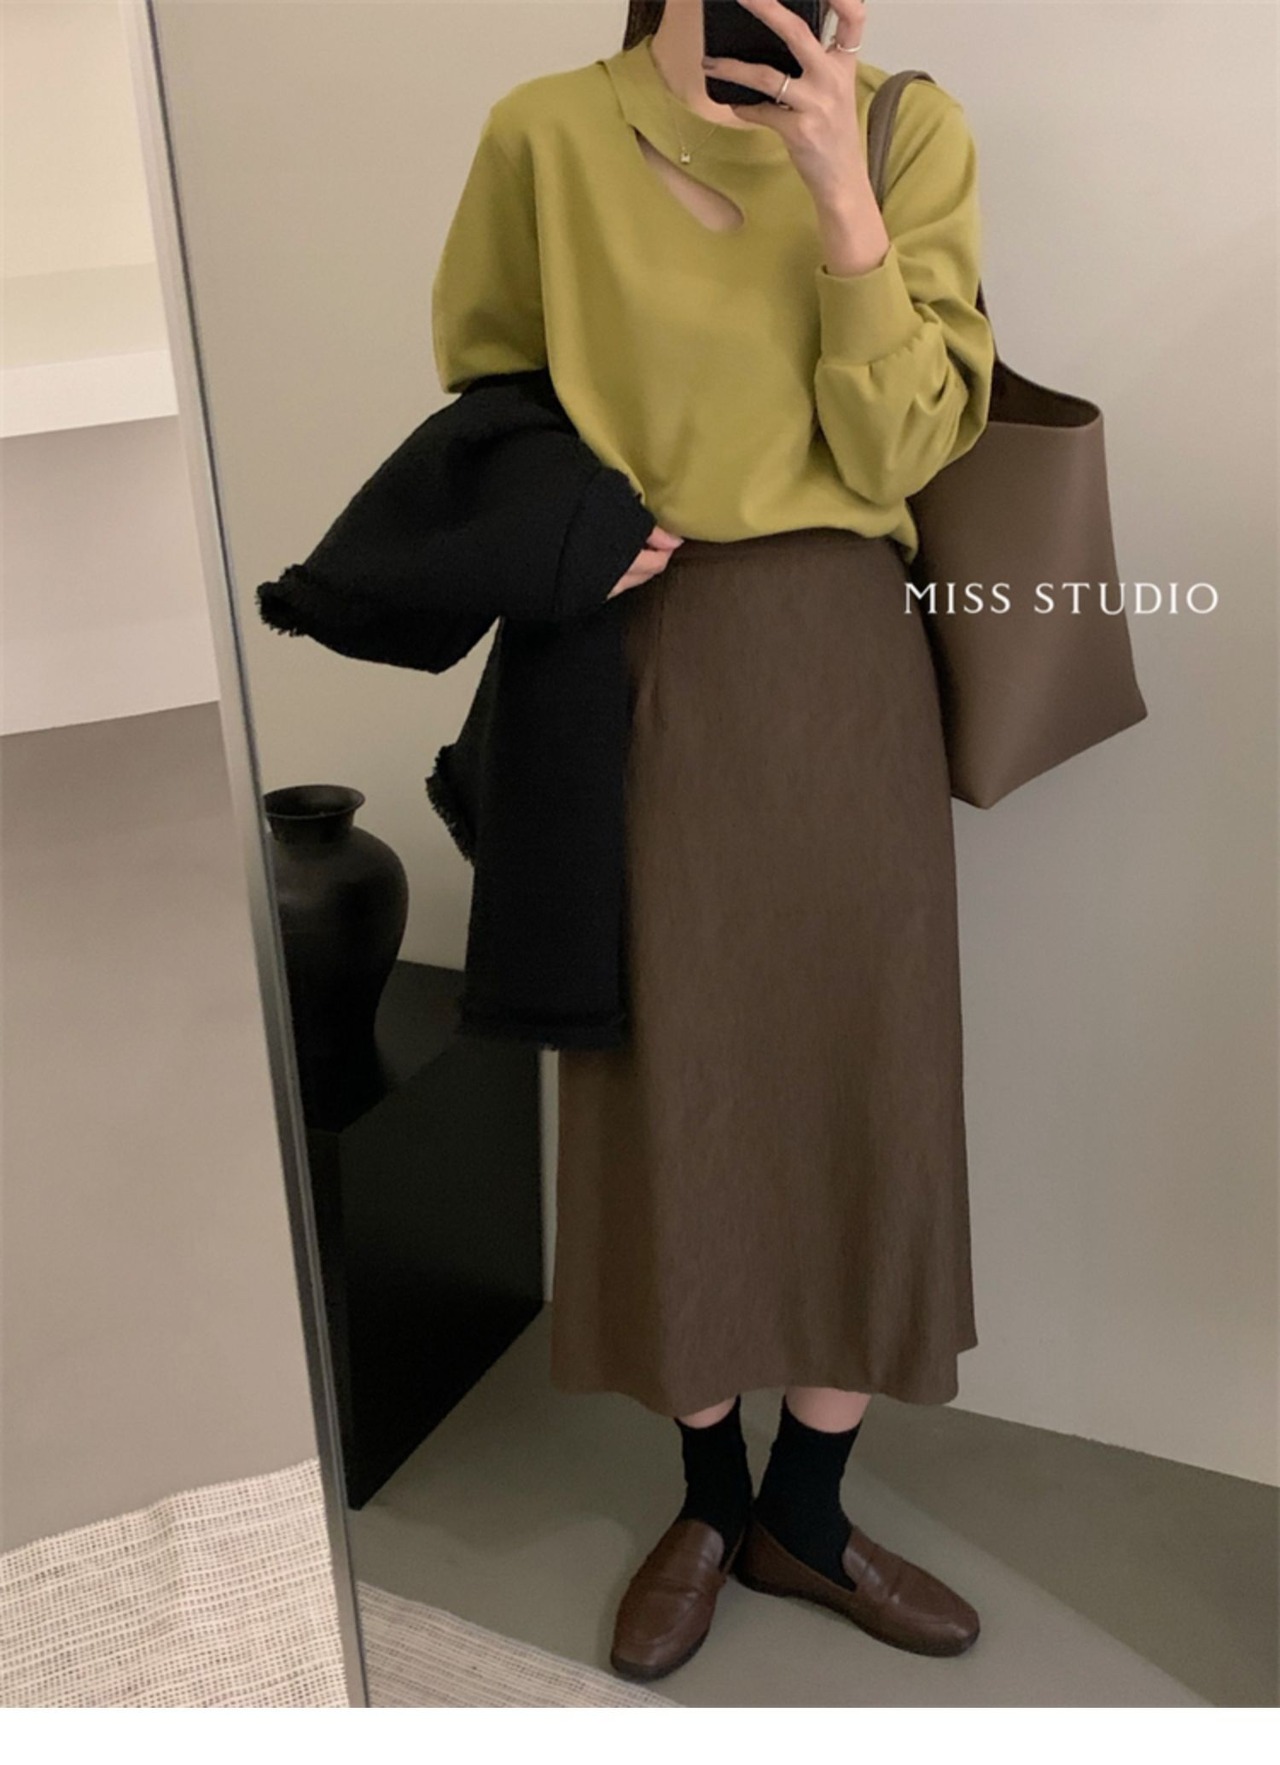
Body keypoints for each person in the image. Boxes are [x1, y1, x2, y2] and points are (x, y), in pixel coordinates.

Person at [430, 0, 996, 1681]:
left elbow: (909, 441)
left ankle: (806, 1510)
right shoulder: (545, 131)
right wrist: (569, 532)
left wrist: (839, 195)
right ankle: (708, 1496)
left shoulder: (907, 130)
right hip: (629, 660)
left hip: (839, 656)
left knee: (864, 1071)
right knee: (666, 1076)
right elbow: (489, 391)